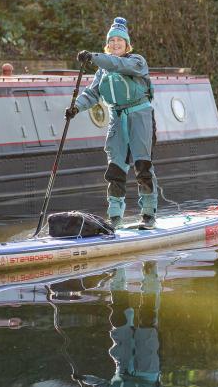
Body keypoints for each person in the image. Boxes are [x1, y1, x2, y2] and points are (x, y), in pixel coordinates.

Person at [66, 17, 158, 229]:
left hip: (140, 116)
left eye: (120, 40)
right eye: (112, 40)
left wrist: (94, 57)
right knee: (115, 168)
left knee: (143, 166)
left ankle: (148, 215)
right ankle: (115, 217)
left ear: (127, 44)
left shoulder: (137, 62)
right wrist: (76, 107)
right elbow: (92, 93)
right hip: (117, 118)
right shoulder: (102, 71)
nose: (116, 43)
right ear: (108, 45)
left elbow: (118, 64)